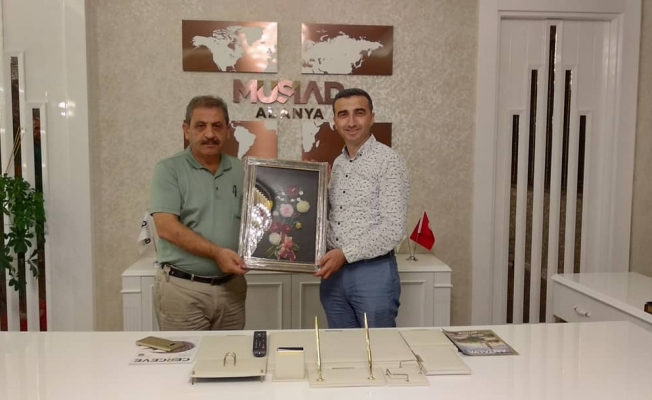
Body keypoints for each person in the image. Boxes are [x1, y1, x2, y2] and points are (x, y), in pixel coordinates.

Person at [150, 95, 248, 331]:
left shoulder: (241, 169)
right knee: (186, 355)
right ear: (187, 130)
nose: (209, 134)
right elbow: (166, 227)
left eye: (217, 126)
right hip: (184, 290)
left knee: (231, 354)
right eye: (200, 126)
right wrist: (217, 254)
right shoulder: (169, 170)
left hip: (232, 289)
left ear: (227, 130)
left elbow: (259, 219)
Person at [315, 88, 410, 329]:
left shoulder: (389, 161)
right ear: (335, 122)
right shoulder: (338, 163)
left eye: (359, 113)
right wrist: (314, 189)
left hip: (373, 275)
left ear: (372, 117)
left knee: (377, 348)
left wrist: (344, 254)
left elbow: (393, 229)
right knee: (342, 348)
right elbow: (336, 216)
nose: (351, 122)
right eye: (343, 114)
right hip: (333, 276)